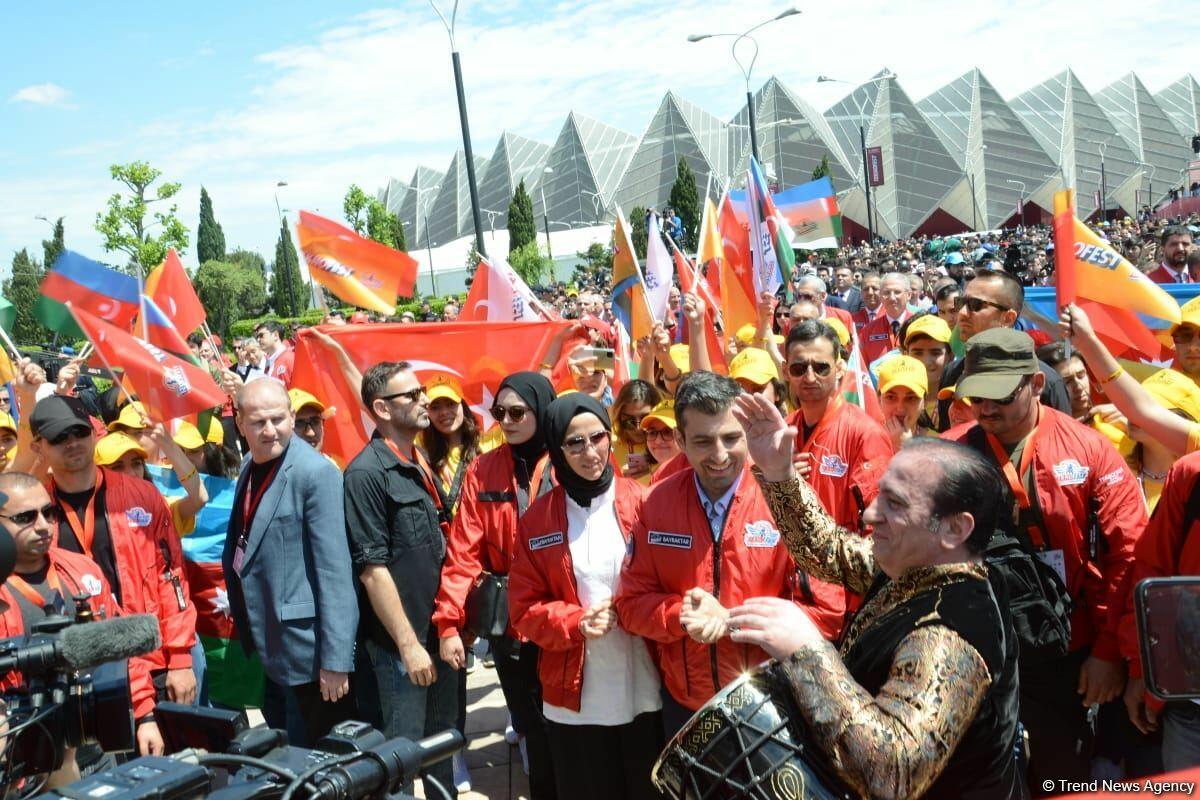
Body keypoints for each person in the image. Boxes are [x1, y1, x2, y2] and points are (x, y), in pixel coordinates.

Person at [727, 394, 1023, 798]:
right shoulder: (914, 564)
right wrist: (779, 473)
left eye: (895, 504)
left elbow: (893, 773)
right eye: (880, 495)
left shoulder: (951, 631)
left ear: (954, 529)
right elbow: (828, 551)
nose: (869, 514)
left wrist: (808, 652)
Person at [944, 328, 1146, 790]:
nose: (986, 408)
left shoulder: (1090, 447)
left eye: (1000, 395)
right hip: (978, 651)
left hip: (1068, 653)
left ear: (1036, 384)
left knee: (1063, 777)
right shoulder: (949, 453)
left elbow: (1129, 555)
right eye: (977, 396)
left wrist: (1108, 653)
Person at [615, 371, 844, 736]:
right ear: (680, 440)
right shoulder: (656, 503)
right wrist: (682, 616)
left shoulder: (786, 498)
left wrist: (735, 623)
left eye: (732, 438)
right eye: (703, 441)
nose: (720, 455)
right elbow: (629, 605)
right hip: (687, 709)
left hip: (771, 703)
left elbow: (828, 612)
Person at [509, 394, 662, 800]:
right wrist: (574, 622)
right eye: (574, 442)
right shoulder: (538, 519)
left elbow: (670, 583)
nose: (589, 451)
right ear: (557, 448)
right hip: (574, 693)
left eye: (597, 437)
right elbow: (523, 609)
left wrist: (641, 610)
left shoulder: (645, 502)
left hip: (643, 682)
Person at [30, 395, 196, 734]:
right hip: (79, 676)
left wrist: (180, 659)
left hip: (153, 662)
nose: (72, 443)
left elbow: (172, 578)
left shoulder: (143, 495)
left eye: (78, 431)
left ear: (93, 433)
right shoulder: (36, 514)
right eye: (59, 437)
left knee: (170, 776)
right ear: (38, 446)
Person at [432, 372, 559, 800]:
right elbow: (463, 551)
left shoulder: (571, 459)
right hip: (512, 625)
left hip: (566, 618)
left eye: (517, 411)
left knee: (566, 725)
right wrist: (449, 624)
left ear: (542, 410)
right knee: (530, 721)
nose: (506, 420)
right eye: (499, 412)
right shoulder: (484, 469)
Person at [343, 362, 458, 797]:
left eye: (421, 390)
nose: (424, 400)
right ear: (381, 409)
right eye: (411, 395)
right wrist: (409, 646)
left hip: (440, 638)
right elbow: (373, 572)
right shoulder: (365, 474)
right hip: (401, 651)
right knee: (402, 762)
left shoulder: (419, 458)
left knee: (441, 750)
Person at [223, 379, 356, 747]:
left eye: (279, 420)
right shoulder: (249, 465)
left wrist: (335, 659)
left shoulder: (316, 473)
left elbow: (335, 573)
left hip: (310, 658)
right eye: (259, 422)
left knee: (315, 761)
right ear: (240, 423)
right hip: (268, 647)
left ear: (292, 416)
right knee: (285, 758)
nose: (270, 431)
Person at [0, 472, 160, 763]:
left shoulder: (82, 569)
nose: (43, 526)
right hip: (27, 760)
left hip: (96, 750)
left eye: (48, 513)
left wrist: (145, 714)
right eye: (25, 517)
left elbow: (119, 647)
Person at [784, 320, 893, 532]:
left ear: (840, 368)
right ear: (785, 371)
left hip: (843, 561)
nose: (809, 376)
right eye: (798, 368)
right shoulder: (782, 432)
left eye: (821, 367)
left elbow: (879, 523)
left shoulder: (865, 434)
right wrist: (778, 478)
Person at [936, 269, 1072, 431]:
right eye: (961, 303)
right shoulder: (951, 373)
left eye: (975, 305)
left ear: (1008, 318)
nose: (962, 313)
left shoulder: (1045, 382)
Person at [900, 313, 953, 430]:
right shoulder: (896, 401)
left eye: (935, 353)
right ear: (905, 355)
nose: (926, 361)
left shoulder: (959, 405)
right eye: (917, 353)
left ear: (950, 356)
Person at [608, 380, 661, 483]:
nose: (638, 428)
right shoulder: (608, 444)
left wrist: (653, 467)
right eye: (629, 421)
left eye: (645, 419)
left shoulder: (670, 443)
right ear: (619, 417)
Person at [877, 355, 933, 450]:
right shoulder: (866, 441)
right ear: (878, 399)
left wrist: (905, 448)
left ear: (925, 401)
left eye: (911, 398)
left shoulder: (939, 444)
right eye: (891, 397)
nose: (900, 408)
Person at [859, 272, 912, 364]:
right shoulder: (868, 331)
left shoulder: (919, 325)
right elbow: (862, 367)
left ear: (909, 295)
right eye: (886, 293)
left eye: (897, 292)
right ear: (880, 296)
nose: (892, 298)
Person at [640, 400, 687, 483]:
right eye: (652, 433)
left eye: (668, 432)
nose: (658, 441)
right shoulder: (643, 484)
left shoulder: (698, 480)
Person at [254, 320, 294, 385]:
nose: (258, 340)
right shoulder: (269, 362)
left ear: (275, 335)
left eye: (261, 335)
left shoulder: (290, 358)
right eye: (257, 337)